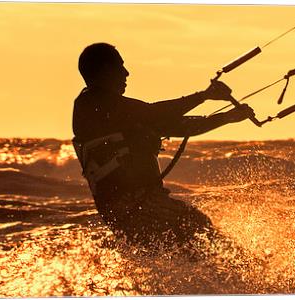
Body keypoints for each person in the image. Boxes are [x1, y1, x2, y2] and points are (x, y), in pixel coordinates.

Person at [72, 43, 254, 248]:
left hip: (136, 209)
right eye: (120, 67)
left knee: (195, 245)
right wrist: (203, 96)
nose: (126, 73)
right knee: (203, 234)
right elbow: (154, 113)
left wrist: (227, 117)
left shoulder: (117, 115)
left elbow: (179, 126)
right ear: (105, 71)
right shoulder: (92, 104)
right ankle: (252, 277)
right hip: (137, 207)